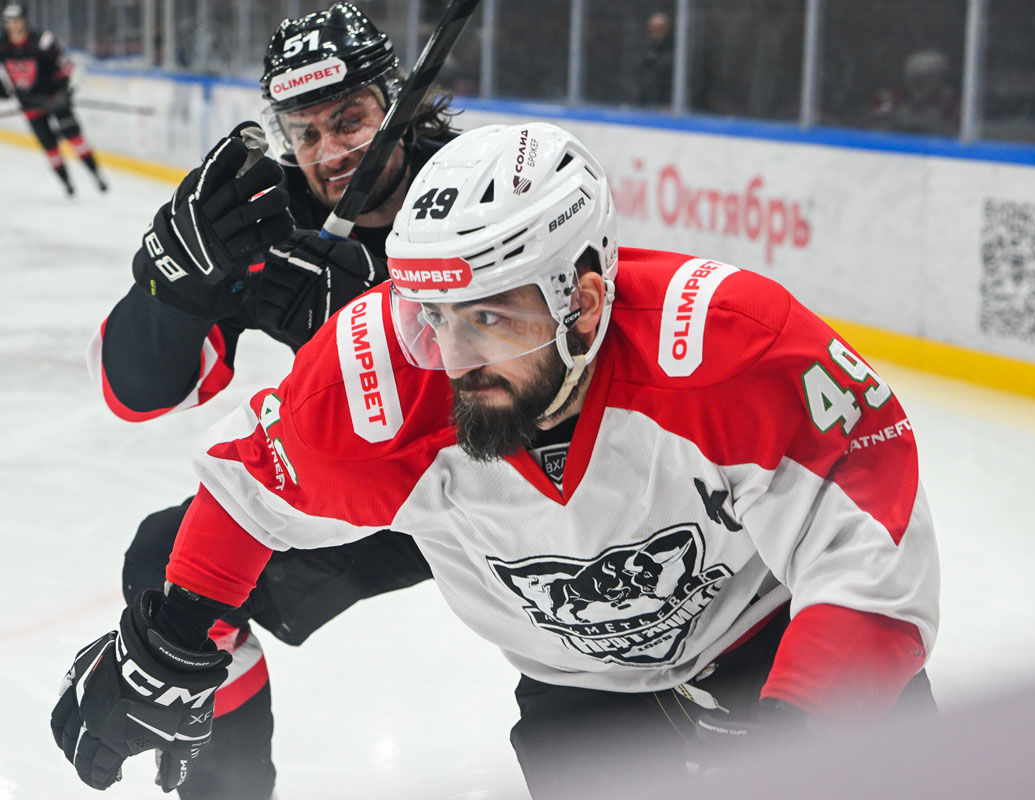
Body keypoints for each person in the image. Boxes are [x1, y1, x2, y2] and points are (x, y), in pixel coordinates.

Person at [51, 121, 940, 798]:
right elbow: (249, 494)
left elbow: (869, 562)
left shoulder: (729, 348)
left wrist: (800, 732)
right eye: (435, 315)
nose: (455, 357)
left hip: (772, 642)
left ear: (583, 302)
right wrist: (173, 641)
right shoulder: (389, 372)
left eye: (490, 315)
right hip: (581, 699)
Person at [81, 3, 455, 798]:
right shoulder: (278, 217)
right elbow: (133, 394)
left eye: (349, 120)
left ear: (397, 102)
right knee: (171, 567)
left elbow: (539, 381)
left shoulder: (473, 188)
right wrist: (171, 289)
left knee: (571, 703)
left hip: (499, 482)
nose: (329, 152)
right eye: (305, 131)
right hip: (378, 497)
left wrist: (375, 322)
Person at [0, 2, 107, 195]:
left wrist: (64, 92)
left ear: (24, 20)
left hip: (54, 98)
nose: (13, 25)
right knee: (49, 146)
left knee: (74, 137)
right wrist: (3, 90)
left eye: (17, 20)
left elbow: (65, 65)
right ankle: (67, 183)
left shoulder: (42, 41)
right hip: (30, 103)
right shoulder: (3, 45)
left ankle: (96, 174)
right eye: (9, 21)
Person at [869, 49, 960, 137]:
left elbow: (956, 136)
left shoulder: (950, 102)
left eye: (928, 77)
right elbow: (874, 134)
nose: (921, 83)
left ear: (940, 79)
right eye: (916, 77)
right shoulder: (889, 98)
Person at [635, 11, 673, 108]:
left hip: (665, 104)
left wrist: (669, 103)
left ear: (667, 30)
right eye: (653, 28)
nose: (656, 32)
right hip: (645, 102)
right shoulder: (645, 50)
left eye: (660, 29)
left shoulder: (675, 53)